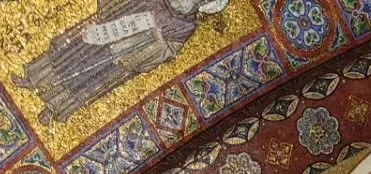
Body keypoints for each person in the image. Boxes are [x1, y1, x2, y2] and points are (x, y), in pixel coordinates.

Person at [17, 0, 228, 125]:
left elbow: (168, 51)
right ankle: (33, 78)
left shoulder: (185, 26)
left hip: (121, 55)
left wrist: (154, 37)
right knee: (68, 54)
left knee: (86, 80)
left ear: (203, 4)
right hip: (106, 29)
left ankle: (53, 108)